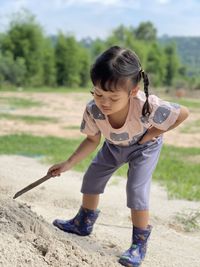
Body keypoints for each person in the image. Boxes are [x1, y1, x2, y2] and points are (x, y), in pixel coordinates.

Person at [47, 46, 189, 267]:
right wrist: (68, 163)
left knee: (136, 190)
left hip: (145, 147)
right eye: (98, 93)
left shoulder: (147, 105)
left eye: (113, 98)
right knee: (91, 178)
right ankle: (83, 223)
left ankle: (138, 244)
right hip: (113, 145)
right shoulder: (93, 110)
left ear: (133, 91)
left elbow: (182, 113)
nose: (104, 102)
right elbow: (93, 140)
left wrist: (152, 133)